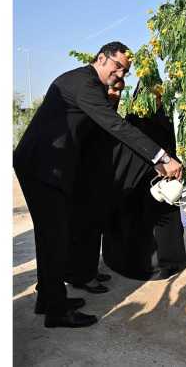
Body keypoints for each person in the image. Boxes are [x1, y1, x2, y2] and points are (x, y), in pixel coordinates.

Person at [13, 41, 183, 328]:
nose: (121, 75)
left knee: (50, 235)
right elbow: (115, 126)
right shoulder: (85, 83)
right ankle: (56, 312)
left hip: (45, 166)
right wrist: (160, 157)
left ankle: (49, 298)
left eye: (126, 71)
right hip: (41, 167)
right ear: (101, 58)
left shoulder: (85, 83)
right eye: (118, 66)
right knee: (53, 236)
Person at [102, 78, 186, 281]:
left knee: (166, 219)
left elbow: (169, 147)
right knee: (140, 221)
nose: (157, 100)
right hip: (139, 182)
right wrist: (152, 167)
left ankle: (170, 261)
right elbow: (131, 151)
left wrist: (173, 165)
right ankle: (143, 265)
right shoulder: (135, 119)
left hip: (163, 179)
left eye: (160, 96)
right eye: (153, 96)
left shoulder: (163, 116)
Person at [63, 80, 126, 294]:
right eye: (113, 89)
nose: (116, 94)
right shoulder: (92, 108)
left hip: (97, 179)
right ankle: (83, 276)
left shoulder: (107, 110)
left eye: (120, 91)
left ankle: (87, 271)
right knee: (84, 230)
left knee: (93, 229)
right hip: (82, 179)